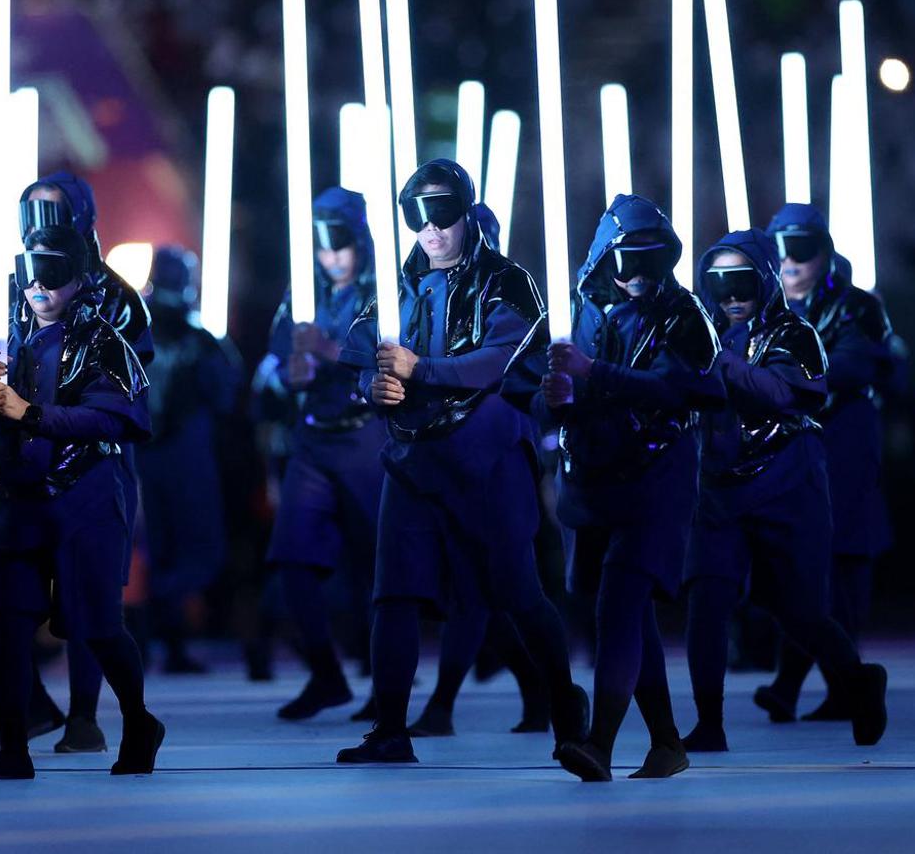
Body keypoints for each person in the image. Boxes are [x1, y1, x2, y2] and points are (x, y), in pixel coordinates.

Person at [335, 158, 586, 765]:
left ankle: (564, 708)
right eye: (417, 216)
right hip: (414, 460)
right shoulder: (399, 285)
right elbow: (360, 358)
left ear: (467, 211)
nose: (431, 229)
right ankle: (390, 728)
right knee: (392, 594)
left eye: (443, 213)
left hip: (488, 457)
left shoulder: (508, 281)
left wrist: (420, 371)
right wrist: (372, 386)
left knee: (516, 592)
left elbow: (499, 360)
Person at [507, 195, 724, 781]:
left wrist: (593, 375)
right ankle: (666, 741)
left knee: (619, 603)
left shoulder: (684, 313)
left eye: (652, 260)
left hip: (657, 479)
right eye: (627, 259)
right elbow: (536, 387)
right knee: (627, 616)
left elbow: (690, 389)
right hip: (594, 482)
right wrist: (553, 398)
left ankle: (598, 743)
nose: (638, 274)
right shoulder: (581, 311)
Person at [0, 225, 163, 779]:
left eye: (55, 272)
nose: (40, 285)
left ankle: (138, 722)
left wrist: (30, 414)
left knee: (98, 625)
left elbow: (118, 418)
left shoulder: (103, 340)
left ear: (81, 278)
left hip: (81, 502)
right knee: (8, 627)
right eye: (31, 270)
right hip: (11, 504)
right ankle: (13, 747)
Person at [683, 228, 887, 753]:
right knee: (707, 598)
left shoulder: (795, 333)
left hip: (787, 483)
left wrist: (715, 359)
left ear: (764, 279)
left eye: (742, 281)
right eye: (718, 283)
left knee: (798, 609)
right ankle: (709, 721)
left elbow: (782, 394)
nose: (731, 295)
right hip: (720, 491)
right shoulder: (699, 332)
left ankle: (859, 682)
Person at [754, 205, 897, 723]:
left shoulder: (855, 306)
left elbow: (861, 364)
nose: (790, 260)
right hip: (781, 447)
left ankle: (824, 683)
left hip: (843, 443)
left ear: (825, 251)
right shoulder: (758, 303)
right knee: (795, 565)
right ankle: (800, 683)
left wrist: (784, 376)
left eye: (802, 248)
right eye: (780, 248)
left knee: (842, 557)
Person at [264, 188, 384, 720]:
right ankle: (326, 674)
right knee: (292, 556)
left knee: (378, 565)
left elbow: (392, 357)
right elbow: (279, 358)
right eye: (321, 246)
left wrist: (329, 353)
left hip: (365, 436)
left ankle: (387, 688)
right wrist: (292, 373)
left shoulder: (384, 292)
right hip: (313, 436)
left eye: (339, 244)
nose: (330, 256)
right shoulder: (304, 292)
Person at [136, 246, 240, 673]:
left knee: (172, 550)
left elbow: (226, 390)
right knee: (176, 549)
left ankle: (160, 638)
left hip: (162, 456)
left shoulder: (145, 331)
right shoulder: (175, 335)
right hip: (170, 458)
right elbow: (226, 393)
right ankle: (156, 637)